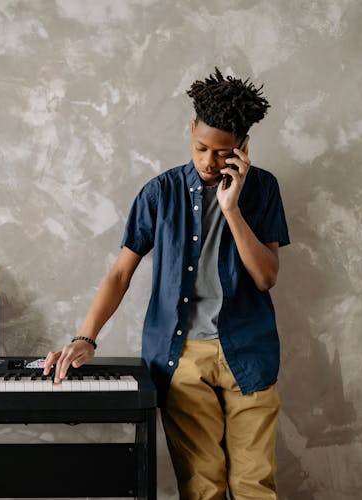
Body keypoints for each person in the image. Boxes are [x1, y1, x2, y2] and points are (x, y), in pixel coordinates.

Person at [43, 68, 290, 499]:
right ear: (190, 130)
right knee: (201, 486)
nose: (209, 161)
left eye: (222, 152)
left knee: (254, 485)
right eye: (200, 148)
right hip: (182, 358)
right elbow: (120, 273)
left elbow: (266, 277)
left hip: (249, 352)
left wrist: (231, 209)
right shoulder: (159, 193)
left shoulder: (263, 189)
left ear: (243, 147)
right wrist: (86, 336)